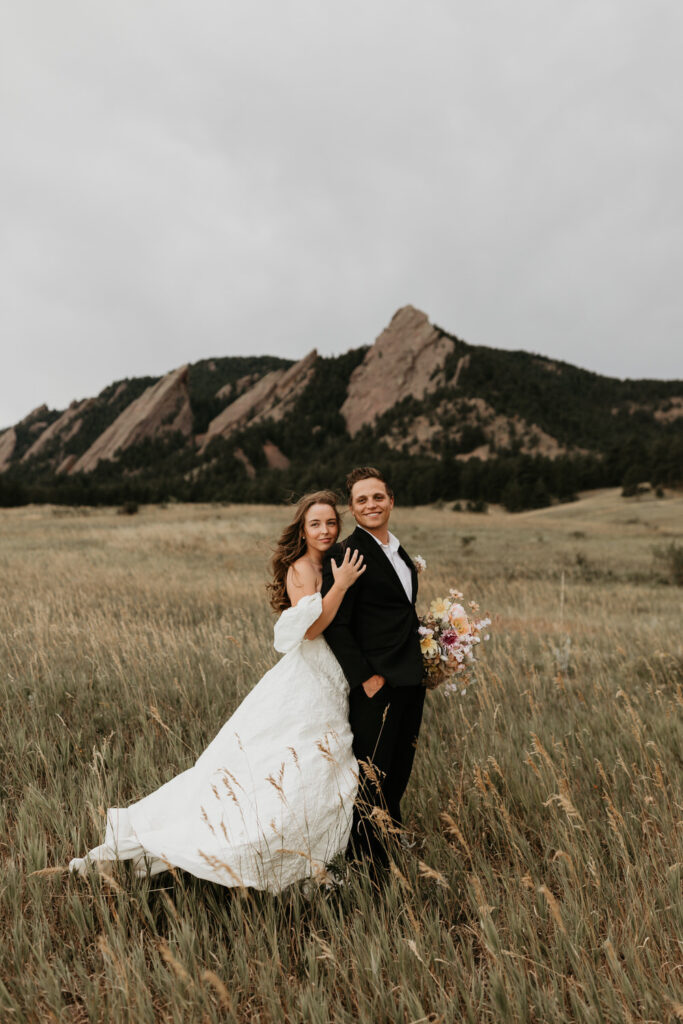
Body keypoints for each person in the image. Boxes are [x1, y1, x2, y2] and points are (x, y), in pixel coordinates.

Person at [69, 491, 365, 893]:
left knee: (320, 764)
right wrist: (342, 586)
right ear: (303, 529)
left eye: (331, 522)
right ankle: (239, 849)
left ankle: (307, 861)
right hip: (309, 676)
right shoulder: (302, 569)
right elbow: (310, 629)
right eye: (316, 523)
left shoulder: (331, 563)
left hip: (333, 676)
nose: (325, 530)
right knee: (292, 759)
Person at [321, 467, 424, 869]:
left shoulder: (399, 552)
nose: (371, 505)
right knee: (372, 776)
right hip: (376, 685)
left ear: (391, 500)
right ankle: (368, 866)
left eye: (377, 497)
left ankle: (388, 848)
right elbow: (337, 626)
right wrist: (366, 678)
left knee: (398, 772)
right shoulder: (346, 553)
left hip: (411, 681)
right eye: (362, 500)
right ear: (352, 508)